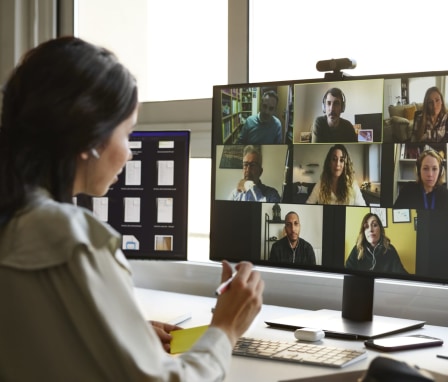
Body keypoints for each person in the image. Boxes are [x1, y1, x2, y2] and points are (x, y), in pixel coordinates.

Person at [0, 36, 264, 381]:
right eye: (127, 134)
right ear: (90, 140)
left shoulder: (14, 222)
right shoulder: (71, 239)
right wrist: (225, 328)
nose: (130, 153)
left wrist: (126, 332)